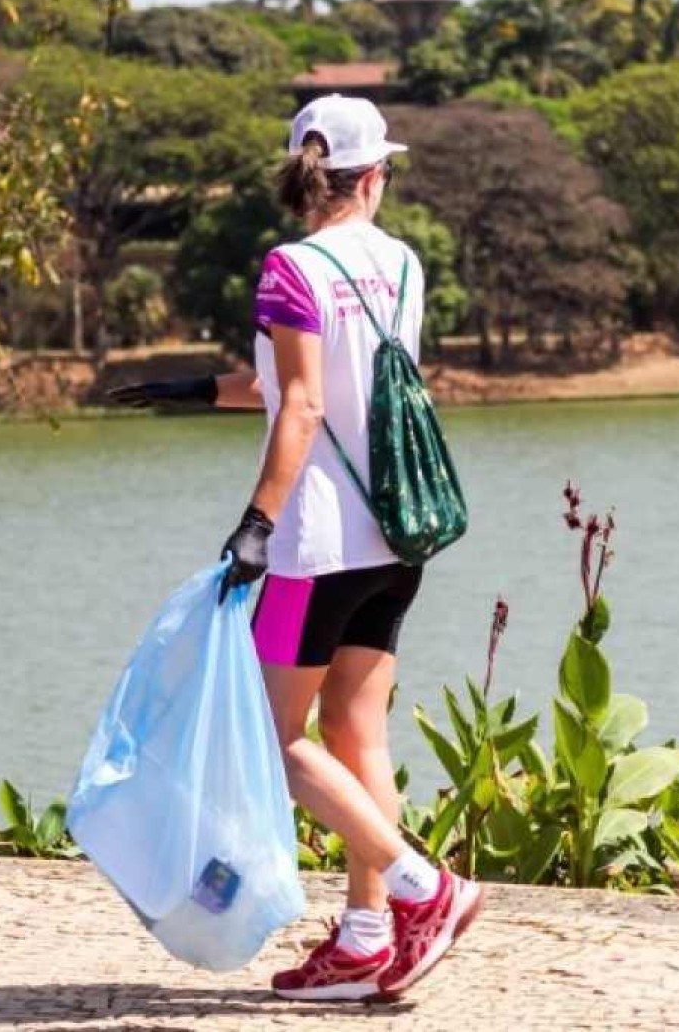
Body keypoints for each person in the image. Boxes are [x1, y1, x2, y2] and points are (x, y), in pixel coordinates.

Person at [112, 96, 482, 1001]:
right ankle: (363, 941)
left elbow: (308, 406)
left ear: (303, 173)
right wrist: (198, 389)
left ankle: (421, 889)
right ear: (374, 175)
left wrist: (256, 524)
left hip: (315, 544)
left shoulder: (290, 267)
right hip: (397, 535)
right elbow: (314, 391)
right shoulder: (400, 263)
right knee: (360, 738)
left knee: (274, 741)